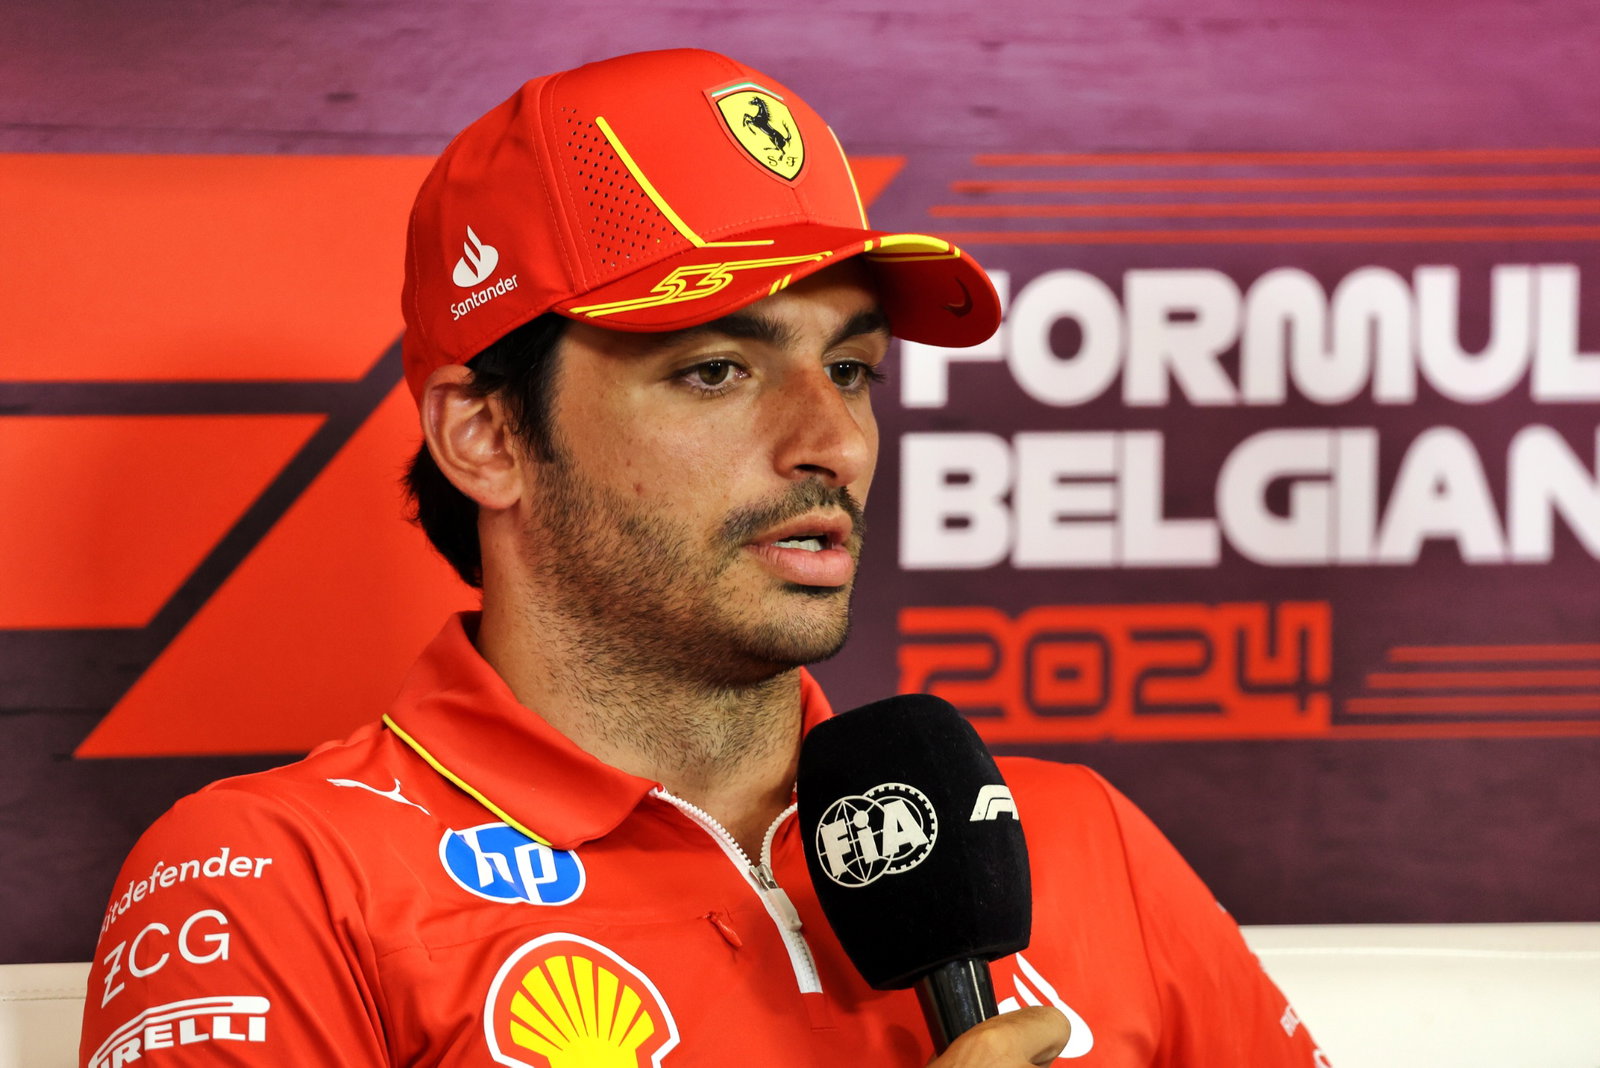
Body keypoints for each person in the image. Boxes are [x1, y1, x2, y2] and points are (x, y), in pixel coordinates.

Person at [79, 49, 1326, 1067]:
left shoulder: (1075, 837)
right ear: (486, 435)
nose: (834, 441)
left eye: (851, 368)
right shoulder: (275, 880)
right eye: (717, 370)